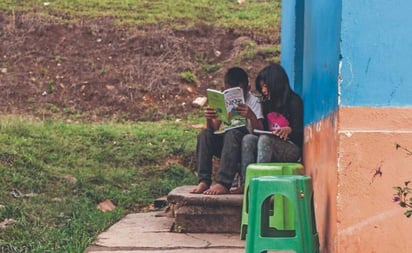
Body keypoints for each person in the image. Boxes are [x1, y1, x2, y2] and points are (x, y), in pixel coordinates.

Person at [190, 67, 264, 195]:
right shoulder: (222, 100)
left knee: (233, 132)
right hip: (227, 145)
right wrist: (209, 118)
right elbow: (213, 129)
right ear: (225, 89)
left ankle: (223, 183)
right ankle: (204, 181)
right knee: (204, 135)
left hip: (245, 144)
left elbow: (261, 132)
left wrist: (251, 116)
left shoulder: (255, 102)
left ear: (248, 88)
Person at [232, 63, 303, 194]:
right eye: (262, 87)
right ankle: (247, 183)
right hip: (267, 145)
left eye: (266, 86)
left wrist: (289, 130)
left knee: (265, 139)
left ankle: (261, 184)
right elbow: (261, 130)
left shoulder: (294, 102)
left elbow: (300, 134)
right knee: (248, 139)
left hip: (290, 148)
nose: (264, 90)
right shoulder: (267, 104)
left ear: (276, 83)